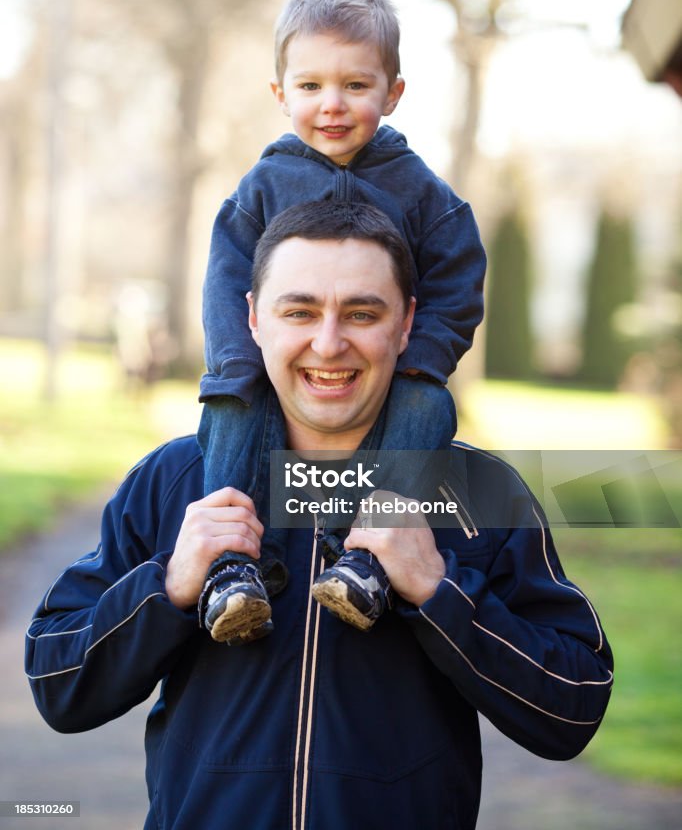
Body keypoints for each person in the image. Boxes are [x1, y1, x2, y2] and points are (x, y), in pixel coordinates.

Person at [26, 202, 613, 830]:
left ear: (407, 322)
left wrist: (439, 593)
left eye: (362, 313)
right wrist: (166, 587)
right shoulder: (174, 482)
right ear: (253, 318)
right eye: (299, 311)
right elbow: (60, 683)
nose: (328, 343)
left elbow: (572, 709)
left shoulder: (479, 492)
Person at [198, 0, 486, 644]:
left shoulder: (421, 191)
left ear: (392, 93)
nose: (332, 105)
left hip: (392, 372)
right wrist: (240, 362)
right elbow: (224, 278)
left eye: (356, 86)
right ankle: (234, 567)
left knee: (429, 407)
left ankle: (367, 561)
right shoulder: (265, 186)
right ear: (281, 95)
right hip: (268, 365)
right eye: (310, 87)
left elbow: (458, 276)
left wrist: (420, 359)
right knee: (231, 405)